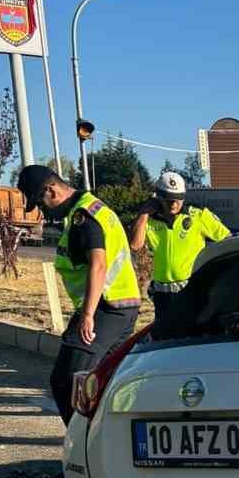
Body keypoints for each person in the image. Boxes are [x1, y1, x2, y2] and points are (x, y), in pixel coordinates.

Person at [16, 165, 140, 425]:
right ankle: (109, 448)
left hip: (104, 307)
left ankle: (83, 452)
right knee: (103, 382)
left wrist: (87, 316)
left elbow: (99, 264)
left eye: (40, 202)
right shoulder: (91, 207)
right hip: (123, 305)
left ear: (51, 190)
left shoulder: (83, 217)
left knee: (68, 381)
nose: (43, 210)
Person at [130, 171, 230, 335]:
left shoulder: (197, 216)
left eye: (179, 197)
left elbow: (227, 239)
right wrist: (144, 213)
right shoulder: (149, 221)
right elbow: (135, 245)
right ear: (159, 197)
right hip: (163, 295)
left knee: (195, 338)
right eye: (169, 198)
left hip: (192, 290)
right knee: (167, 340)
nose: (174, 203)